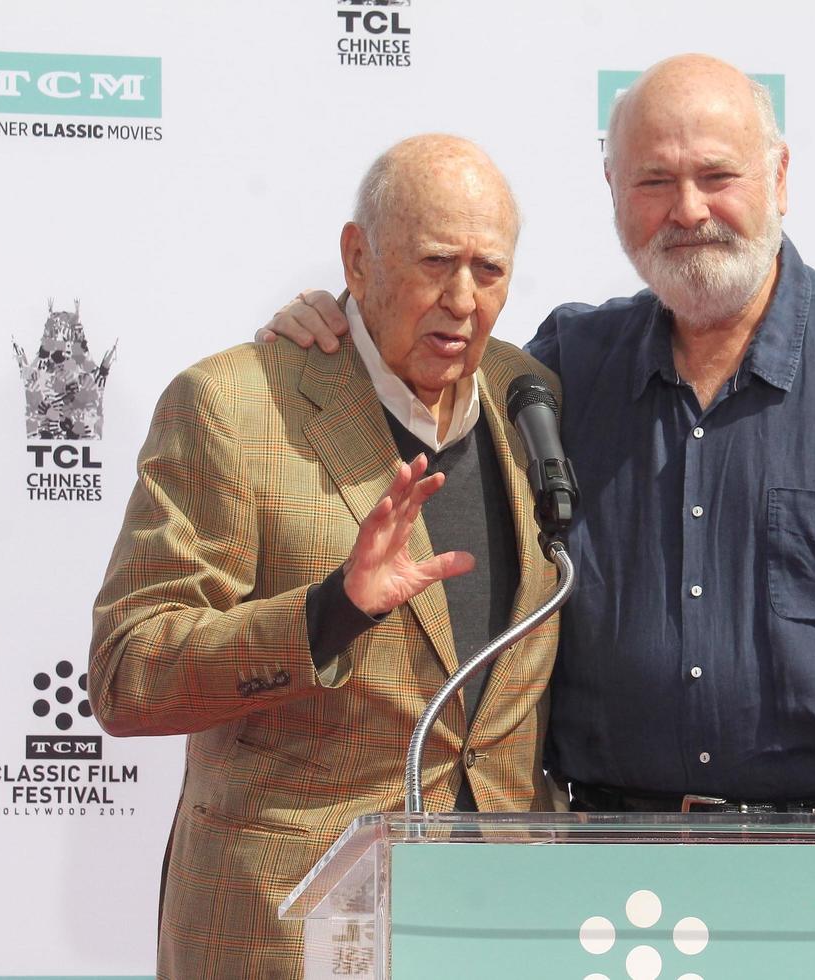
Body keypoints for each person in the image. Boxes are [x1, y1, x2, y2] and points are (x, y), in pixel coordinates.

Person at [259, 54, 815, 980]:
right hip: (598, 902)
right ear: (612, 191)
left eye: (717, 175)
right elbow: (423, 382)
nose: (687, 210)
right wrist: (339, 328)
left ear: (779, 179)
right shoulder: (559, 373)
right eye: (653, 181)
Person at [90, 134, 562, 977]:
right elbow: (128, 675)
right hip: (287, 931)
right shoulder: (233, 406)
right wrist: (330, 611)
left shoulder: (532, 397)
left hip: (499, 927)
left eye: (489, 270)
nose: (462, 300)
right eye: (432, 262)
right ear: (357, 256)